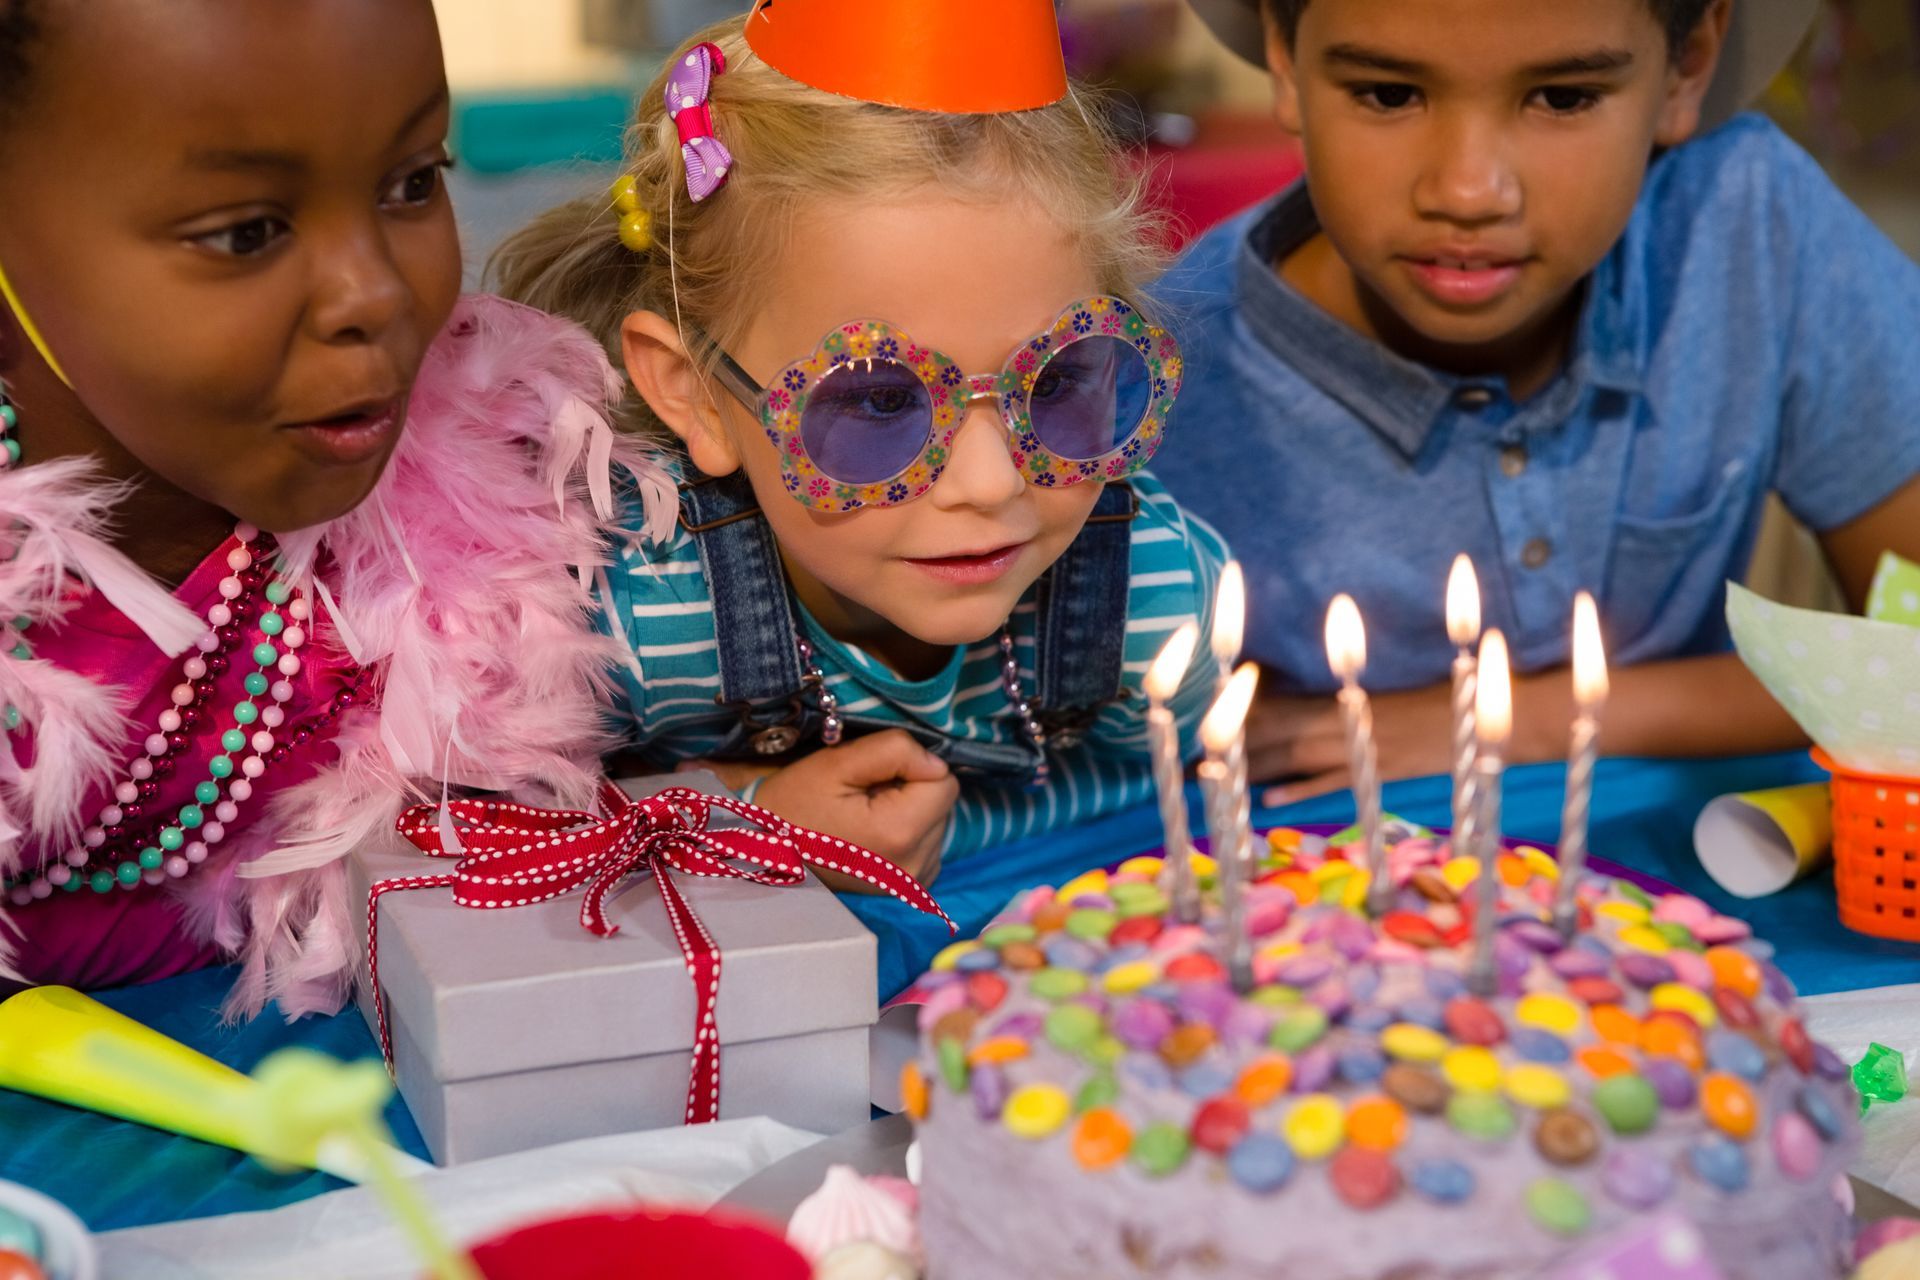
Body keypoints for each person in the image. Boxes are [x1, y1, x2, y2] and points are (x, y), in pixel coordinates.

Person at [0, 0, 665, 1014]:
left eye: (412, 181)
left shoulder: (515, 526)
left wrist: (721, 805)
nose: (379, 295)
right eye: (246, 232)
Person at [496, 5, 1229, 883]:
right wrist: (742, 811)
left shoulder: (1156, 603)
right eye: (881, 399)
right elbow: (469, 824)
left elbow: (1167, 810)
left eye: (1059, 380)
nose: (991, 484)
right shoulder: (620, 618)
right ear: (695, 395)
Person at [1155, 0, 1920, 800]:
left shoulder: (1748, 220)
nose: (1469, 190)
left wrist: (1503, 718)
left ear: (1687, 64)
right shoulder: (1162, 383)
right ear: (1283, 59)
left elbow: (1906, 662)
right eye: (1387, 94)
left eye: (1562, 98)